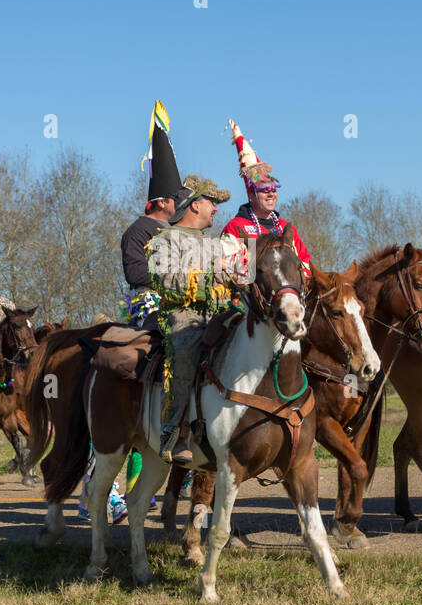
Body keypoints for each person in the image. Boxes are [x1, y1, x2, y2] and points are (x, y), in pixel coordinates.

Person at [146, 173, 247, 464]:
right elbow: (165, 281)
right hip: (182, 316)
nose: (216, 209)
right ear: (194, 205)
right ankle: (173, 432)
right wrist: (210, 276)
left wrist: (240, 277)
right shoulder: (163, 239)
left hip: (220, 313)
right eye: (212, 203)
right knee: (187, 348)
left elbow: (231, 282)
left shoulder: (215, 244)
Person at [219, 119, 311, 273]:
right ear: (251, 196)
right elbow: (224, 267)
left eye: (273, 189)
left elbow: (306, 263)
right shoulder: (235, 227)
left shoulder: (286, 227)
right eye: (264, 190)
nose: (270, 193)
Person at [121, 100, 182, 297]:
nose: (181, 202)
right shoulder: (137, 232)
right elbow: (135, 273)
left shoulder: (180, 228)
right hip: (151, 303)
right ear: (162, 202)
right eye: (175, 198)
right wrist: (178, 279)